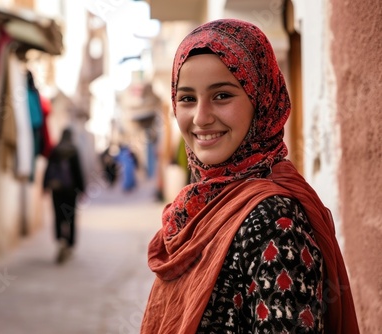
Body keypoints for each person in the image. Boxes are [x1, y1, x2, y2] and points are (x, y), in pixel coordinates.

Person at [140, 19, 359, 334]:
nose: (201, 118)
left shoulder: (276, 220)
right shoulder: (196, 207)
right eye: (187, 98)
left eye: (222, 96)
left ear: (260, 102)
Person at [43, 128, 85, 264]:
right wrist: (82, 189)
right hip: (71, 191)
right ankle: (69, 245)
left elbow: (48, 169)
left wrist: (45, 186)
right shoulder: (74, 150)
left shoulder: (55, 150)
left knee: (58, 216)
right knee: (70, 217)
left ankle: (60, 239)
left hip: (57, 190)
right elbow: (78, 172)